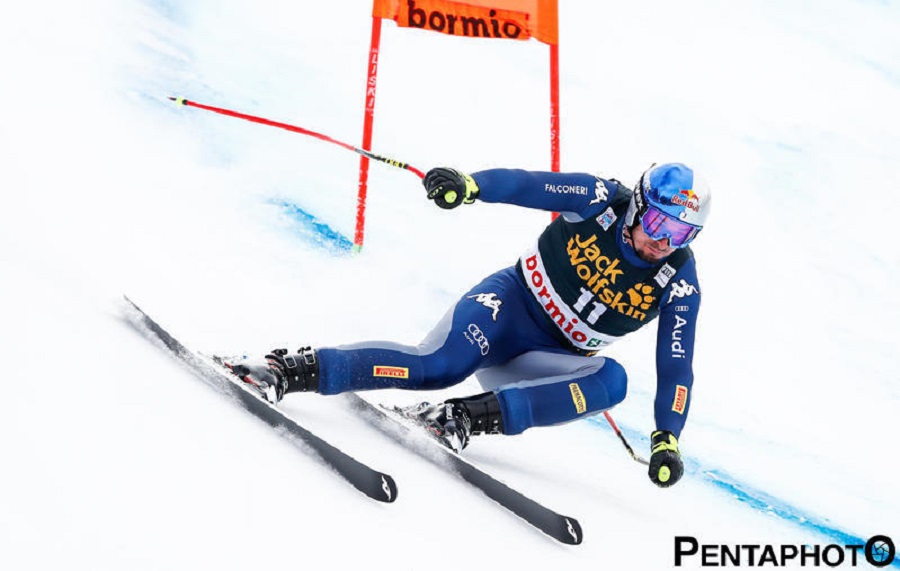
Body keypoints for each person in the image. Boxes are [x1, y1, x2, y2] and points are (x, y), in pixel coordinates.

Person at [229, 163, 711, 488]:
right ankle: (288, 369)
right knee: (438, 365)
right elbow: (527, 185)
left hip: (543, 361)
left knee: (613, 382)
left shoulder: (679, 280)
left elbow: (676, 366)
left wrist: (667, 436)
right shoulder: (600, 198)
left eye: (681, 233)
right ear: (638, 206)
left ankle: (459, 417)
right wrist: (469, 186)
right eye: (659, 224)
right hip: (508, 307)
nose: (664, 242)